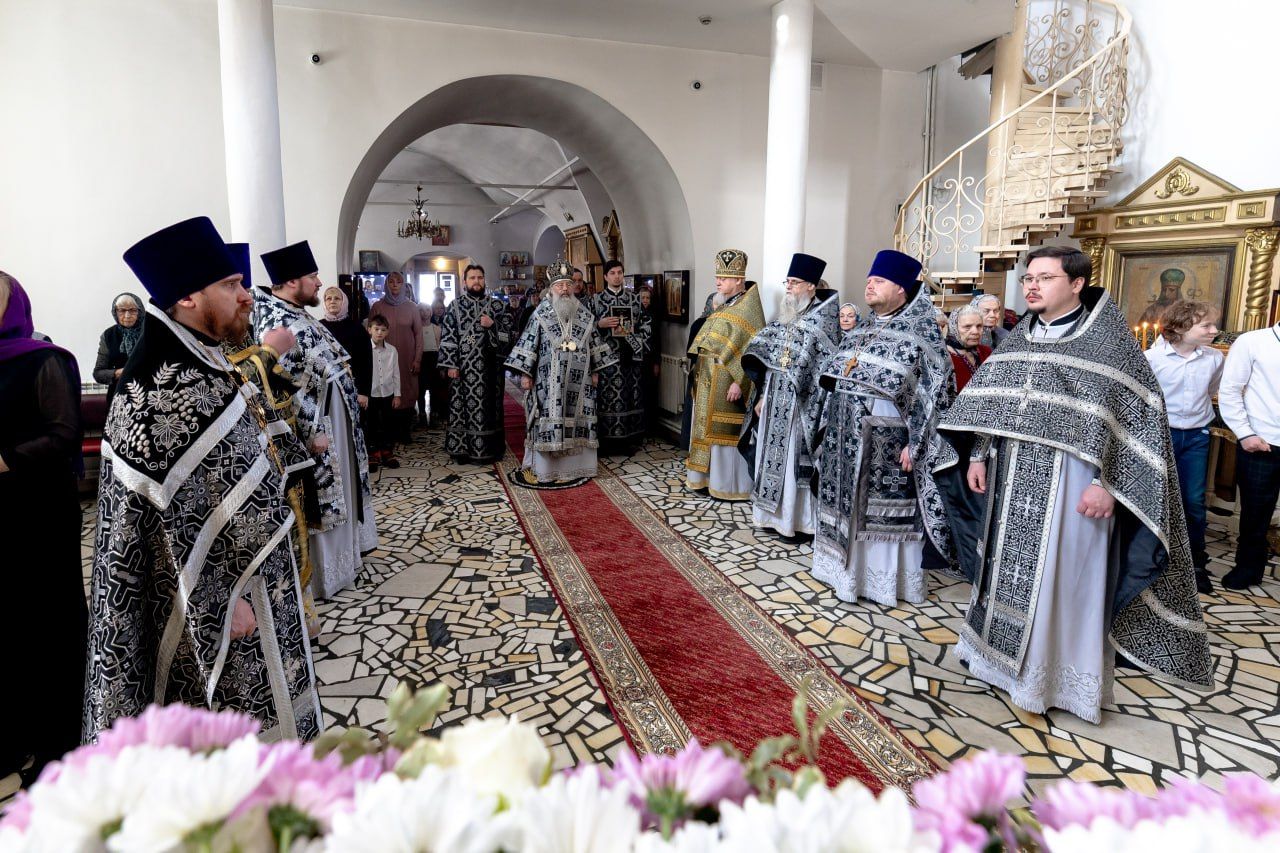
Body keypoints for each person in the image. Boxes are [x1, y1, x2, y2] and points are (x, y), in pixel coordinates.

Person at [938, 245, 1212, 723]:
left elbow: (1137, 421)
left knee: (1064, 581)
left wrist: (1110, 483)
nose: (1031, 286)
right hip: (1011, 480)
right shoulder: (1021, 337)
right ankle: (997, 665)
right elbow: (997, 402)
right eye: (1028, 278)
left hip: (1073, 486)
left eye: (1044, 277)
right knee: (1005, 572)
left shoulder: (1108, 343)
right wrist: (979, 453)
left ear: (1077, 283)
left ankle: (1052, 680)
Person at [85, 217, 321, 743]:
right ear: (189, 299)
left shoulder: (210, 363)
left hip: (263, 584)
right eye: (231, 286)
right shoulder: (156, 391)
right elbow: (155, 526)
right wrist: (216, 602)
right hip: (220, 611)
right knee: (237, 749)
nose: (245, 295)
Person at [811, 250, 954, 606]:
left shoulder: (922, 335)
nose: (869, 285)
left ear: (902, 289)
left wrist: (917, 445)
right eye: (869, 280)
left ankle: (882, 584)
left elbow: (936, 396)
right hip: (845, 439)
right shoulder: (863, 329)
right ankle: (844, 576)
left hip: (889, 442)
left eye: (879, 281)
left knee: (881, 518)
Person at [0, 272, 86, 782]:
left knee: (45, 620)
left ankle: (58, 740)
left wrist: (5, 462)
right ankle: (11, 736)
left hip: (37, 512)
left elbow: (63, 434)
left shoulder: (44, 359)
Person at [255, 240, 377, 599]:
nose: (320, 283)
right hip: (319, 430)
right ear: (293, 282)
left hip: (338, 421)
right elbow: (282, 389)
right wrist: (308, 435)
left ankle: (347, 559)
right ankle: (326, 573)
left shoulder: (299, 314)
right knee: (324, 498)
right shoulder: (277, 322)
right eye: (312, 276)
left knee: (343, 490)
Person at [741, 253, 840, 538]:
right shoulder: (787, 317)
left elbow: (820, 371)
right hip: (774, 401)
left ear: (811, 286)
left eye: (795, 283)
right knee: (770, 460)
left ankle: (797, 523)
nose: (789, 287)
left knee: (794, 466)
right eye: (788, 282)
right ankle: (770, 518)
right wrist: (762, 396)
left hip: (802, 406)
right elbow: (771, 361)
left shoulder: (822, 323)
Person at [506, 260, 617, 484]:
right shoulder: (541, 313)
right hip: (549, 384)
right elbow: (529, 344)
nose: (565, 289)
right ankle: (547, 469)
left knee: (578, 422)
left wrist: (595, 370)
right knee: (549, 420)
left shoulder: (583, 313)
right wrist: (526, 374)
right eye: (560, 285)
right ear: (552, 288)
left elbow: (594, 342)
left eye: (568, 284)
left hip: (580, 384)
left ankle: (578, 468)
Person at [1145, 300, 1223, 594]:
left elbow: (1213, 390)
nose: (1214, 330)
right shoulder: (1152, 359)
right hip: (1161, 435)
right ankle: (1152, 561)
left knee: (1193, 501)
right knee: (1157, 497)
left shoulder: (1214, 358)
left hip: (1196, 436)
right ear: (1180, 326)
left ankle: (1195, 564)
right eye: (1206, 325)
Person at [686, 250, 765, 500]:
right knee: (706, 432)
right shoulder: (726, 303)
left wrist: (740, 382)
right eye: (718, 276)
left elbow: (753, 349)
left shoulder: (749, 308)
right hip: (709, 376)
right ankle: (707, 480)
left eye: (724, 277)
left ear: (739, 279)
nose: (718, 281)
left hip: (728, 380)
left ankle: (729, 486)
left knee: (724, 436)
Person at [1217, 312, 1280, 590]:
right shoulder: (1253, 341)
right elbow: (1230, 390)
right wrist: (1246, 433)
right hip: (1261, 442)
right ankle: (1248, 568)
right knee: (1255, 513)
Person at [438, 264, 515, 463]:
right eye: (472, 278)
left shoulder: (498, 306)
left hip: (491, 371)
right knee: (462, 409)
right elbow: (448, 337)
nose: (476, 281)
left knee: (491, 411)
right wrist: (451, 365)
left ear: (484, 280)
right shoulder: (454, 306)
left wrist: (493, 326)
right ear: (465, 282)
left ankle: (491, 450)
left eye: (480, 277)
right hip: (463, 370)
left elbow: (511, 336)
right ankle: (462, 450)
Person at [591, 259, 652, 454]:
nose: (617, 276)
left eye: (620, 272)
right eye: (613, 273)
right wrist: (600, 325)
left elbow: (647, 326)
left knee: (630, 397)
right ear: (606, 276)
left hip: (629, 359)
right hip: (606, 360)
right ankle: (606, 441)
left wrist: (633, 338)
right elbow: (585, 329)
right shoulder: (596, 300)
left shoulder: (634, 300)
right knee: (606, 399)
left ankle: (628, 440)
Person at [369, 272, 422, 443]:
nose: (395, 285)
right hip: (383, 358)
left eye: (399, 282)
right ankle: (388, 433)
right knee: (386, 390)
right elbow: (370, 331)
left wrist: (417, 359)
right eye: (391, 282)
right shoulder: (378, 306)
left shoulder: (412, 307)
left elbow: (419, 334)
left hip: (407, 358)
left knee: (408, 390)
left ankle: (405, 431)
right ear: (386, 285)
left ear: (404, 285)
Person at [320, 285, 372, 413]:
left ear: (344, 302)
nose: (332, 301)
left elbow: (366, 361)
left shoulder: (357, 328)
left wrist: (363, 391)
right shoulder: (318, 327)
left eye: (337, 298)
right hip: (325, 388)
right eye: (328, 298)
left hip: (352, 387)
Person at [92, 292, 145, 404]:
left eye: (132, 310)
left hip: (149, 393)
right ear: (115, 312)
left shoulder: (150, 332)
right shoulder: (108, 335)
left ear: (140, 311)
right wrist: (121, 372)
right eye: (121, 310)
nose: (127, 315)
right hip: (119, 397)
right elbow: (98, 373)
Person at [367, 314, 401, 470]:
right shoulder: (365, 349)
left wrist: (397, 394)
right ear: (369, 330)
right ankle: (373, 453)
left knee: (388, 422)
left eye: (383, 330)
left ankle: (387, 452)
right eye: (376, 329)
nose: (379, 333)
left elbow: (396, 373)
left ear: (387, 332)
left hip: (387, 392)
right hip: (370, 394)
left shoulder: (392, 350)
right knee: (372, 423)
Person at [945, 304, 992, 392]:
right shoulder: (943, 356)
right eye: (967, 327)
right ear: (954, 328)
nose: (975, 332)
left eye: (979, 326)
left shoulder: (986, 352)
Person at [418, 300, 442, 427]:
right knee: (420, 390)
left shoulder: (437, 329)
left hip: (434, 359)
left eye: (427, 310)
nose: (425, 313)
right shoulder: (416, 329)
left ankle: (434, 415)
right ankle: (421, 414)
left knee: (435, 389)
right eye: (421, 310)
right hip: (421, 359)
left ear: (431, 312)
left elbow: (440, 347)